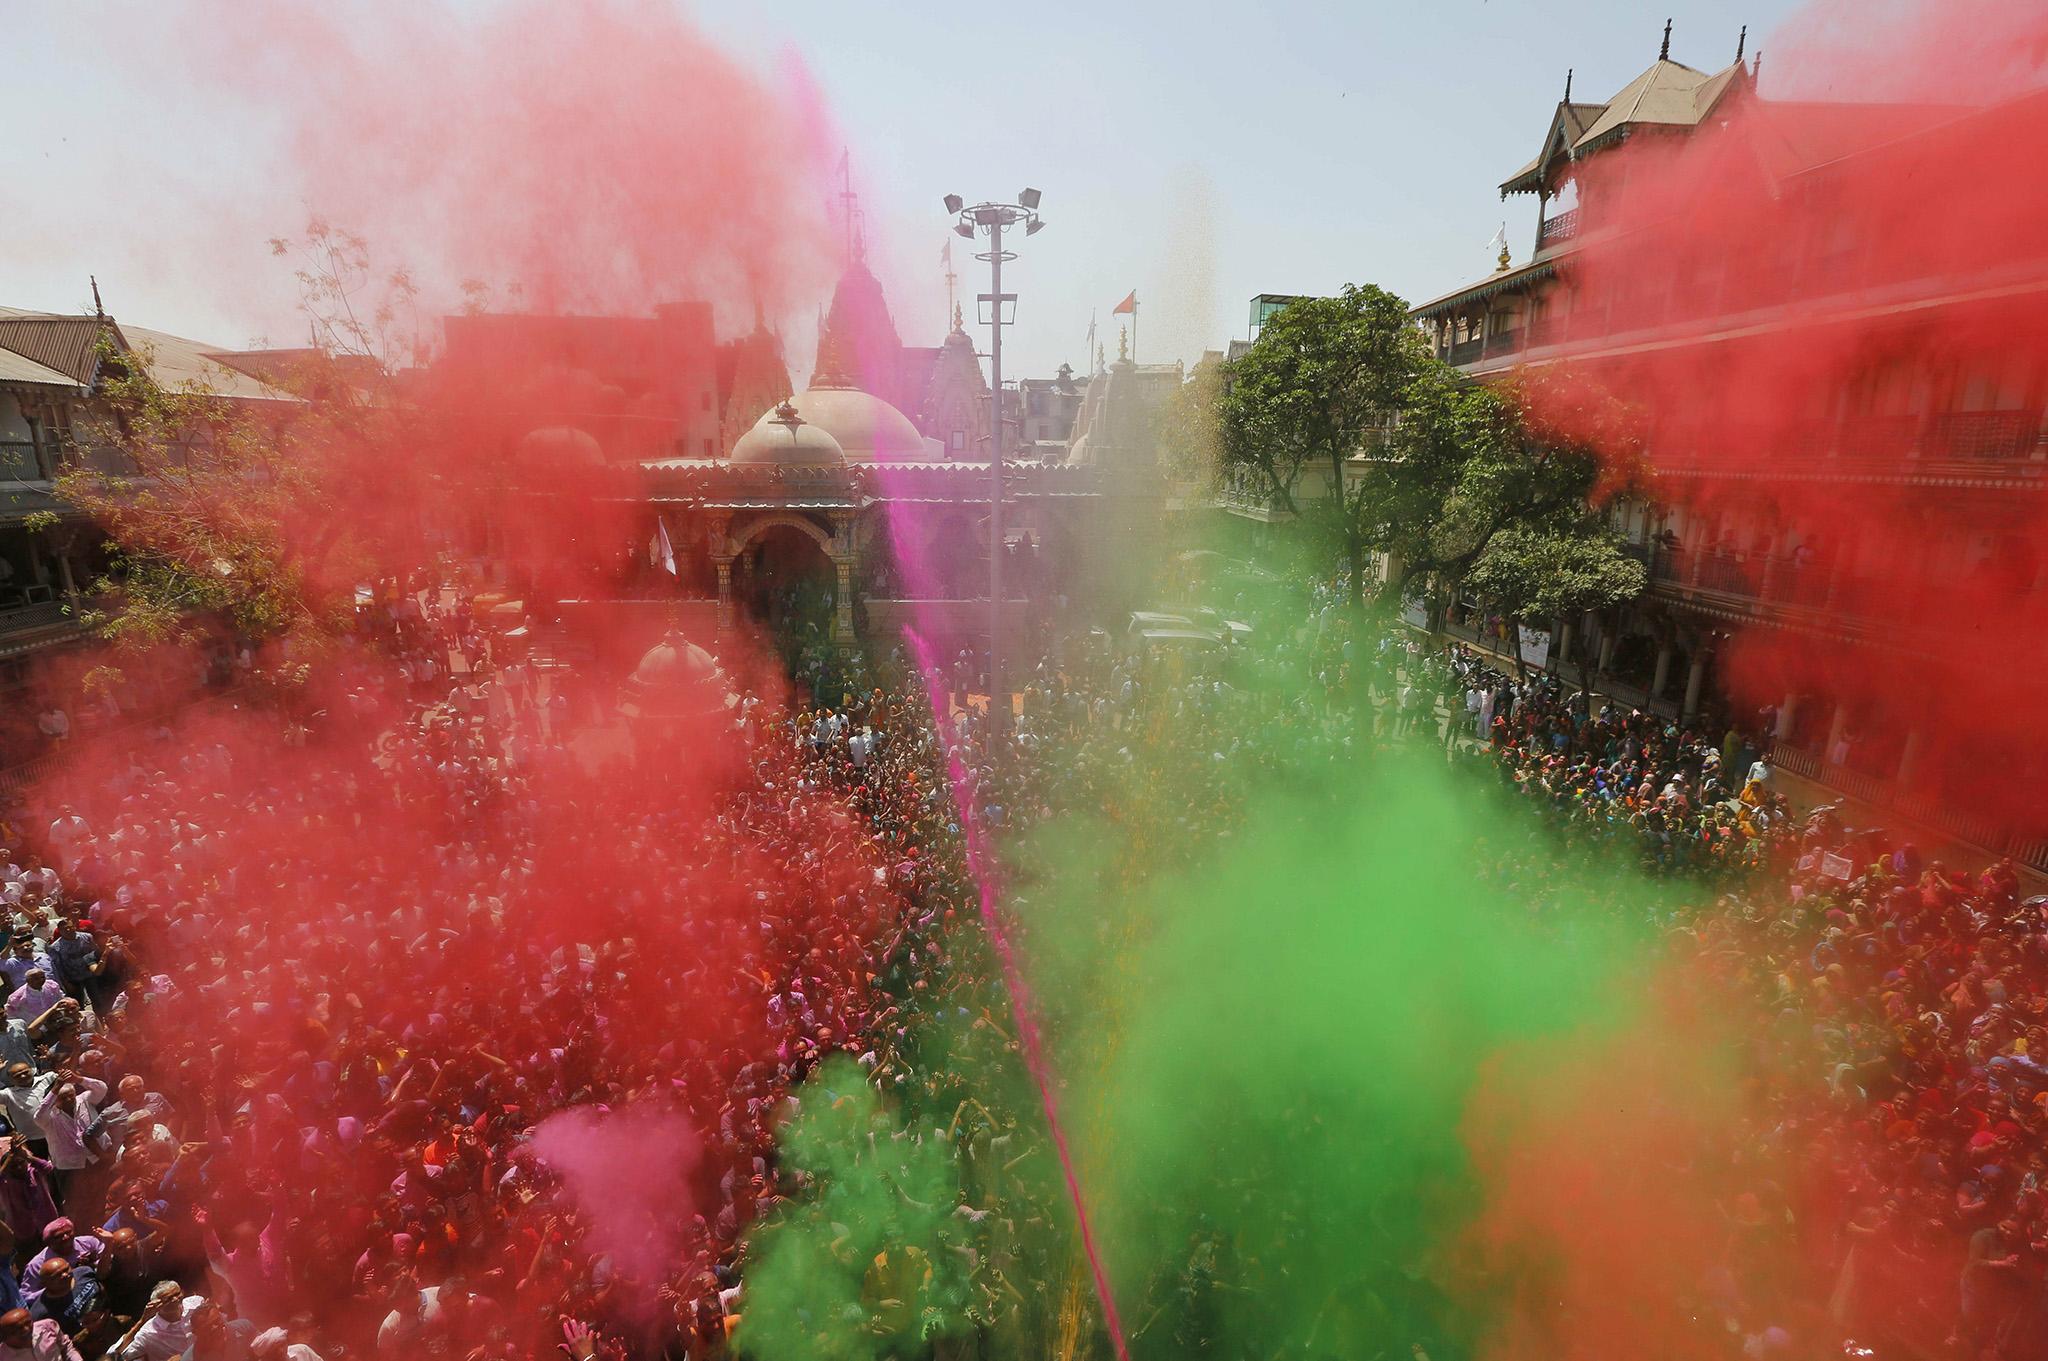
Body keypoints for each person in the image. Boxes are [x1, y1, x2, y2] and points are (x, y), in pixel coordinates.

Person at [114, 1284, 200, 1361]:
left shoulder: (196, 1303)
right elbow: (115, 1355)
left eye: (177, 1294)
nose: (175, 1299)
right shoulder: (148, 1333)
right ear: (155, 1305)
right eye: (168, 1299)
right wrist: (141, 1321)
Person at [0, 1308, 77, 1361]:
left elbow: (66, 1348)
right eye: (18, 1329)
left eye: (28, 1322)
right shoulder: (2, 1356)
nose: (26, 1329)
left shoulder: (48, 1326)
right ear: (4, 1337)